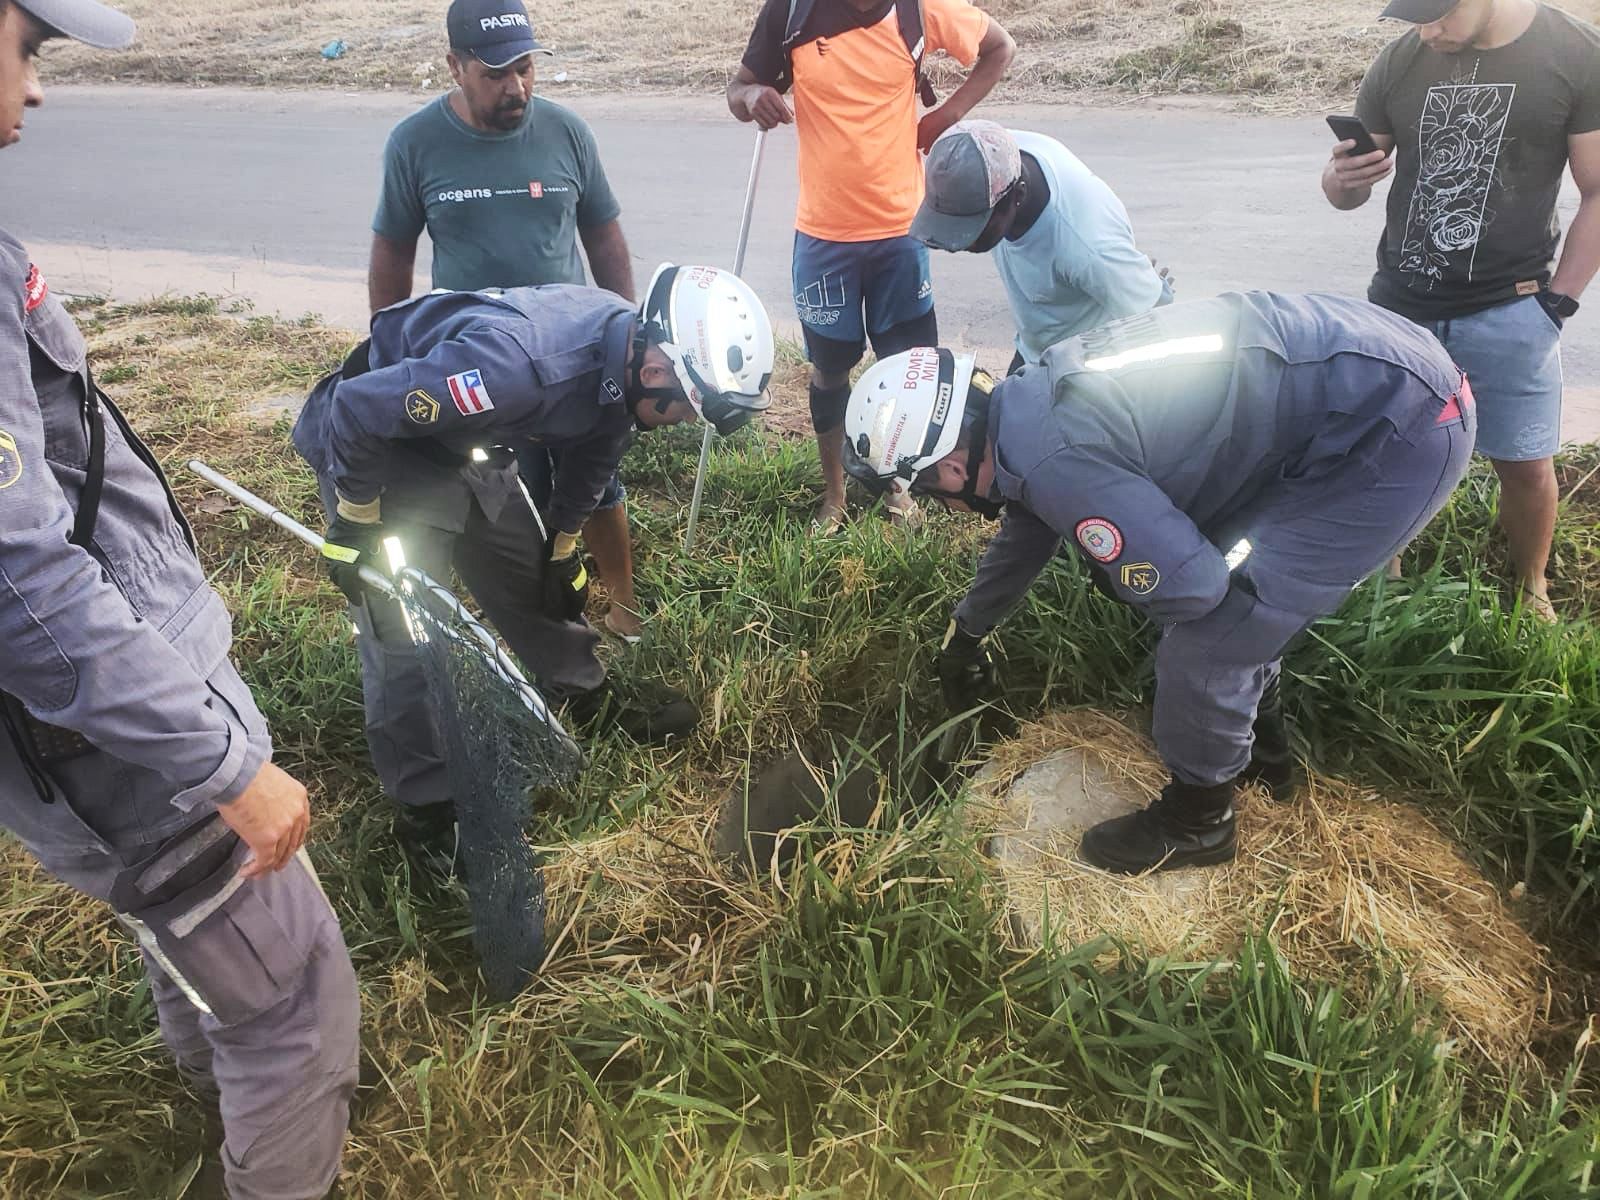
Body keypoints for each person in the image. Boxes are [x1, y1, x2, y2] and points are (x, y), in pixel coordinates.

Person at [0, 2, 358, 1197]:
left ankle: (226, 1108)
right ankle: (272, 1139)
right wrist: (221, 766)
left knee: (197, 940)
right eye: (27, 46)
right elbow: (21, 583)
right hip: (121, 750)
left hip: (88, 744)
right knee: (293, 1007)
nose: (37, 89)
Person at [842, 293, 1476, 875]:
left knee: (1212, 636)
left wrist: (1128, 579)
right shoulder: (1026, 407)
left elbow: (1195, 588)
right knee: (1242, 598)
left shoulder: (1053, 458)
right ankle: (1265, 757)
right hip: (1373, 371)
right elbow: (1031, 521)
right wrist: (969, 629)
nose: (939, 504)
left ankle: (1200, 820)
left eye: (924, 488)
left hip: (1395, 433)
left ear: (951, 467)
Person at [292, 265, 772, 860]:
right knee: (408, 626)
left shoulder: (625, 353)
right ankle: (427, 805)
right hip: (386, 446)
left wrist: (562, 544)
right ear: (654, 371)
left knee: (529, 571)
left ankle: (581, 688)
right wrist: (356, 519)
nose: (682, 425)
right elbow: (359, 407)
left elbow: (601, 444)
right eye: (684, 412)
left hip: (476, 438)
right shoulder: (515, 370)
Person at [369, 0, 645, 641]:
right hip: (479, 364)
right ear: (455, 66)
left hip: (578, 354)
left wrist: (630, 334)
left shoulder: (567, 133)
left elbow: (604, 236)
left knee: (597, 485)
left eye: (524, 68)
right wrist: (388, 345)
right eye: (495, 73)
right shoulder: (415, 143)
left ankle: (625, 609)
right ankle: (535, 617)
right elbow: (393, 250)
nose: (515, 86)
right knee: (503, 498)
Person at [1322, 0, 1600, 622]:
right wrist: (1345, 179)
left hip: (1512, 307)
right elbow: (1345, 194)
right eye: (1413, 18)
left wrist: (1557, 304)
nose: (1427, 32)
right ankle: (1385, 580)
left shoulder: (1576, 53)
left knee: (1525, 465)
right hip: (1399, 307)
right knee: (1382, 452)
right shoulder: (1402, 58)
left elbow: (1598, 190)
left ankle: (1531, 587)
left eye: (1439, 16)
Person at [727, 0, 1015, 534]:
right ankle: (834, 494)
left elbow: (1000, 47)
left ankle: (898, 489)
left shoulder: (920, 9)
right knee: (830, 371)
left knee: (906, 373)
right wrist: (753, 95)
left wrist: (944, 118)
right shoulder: (792, 10)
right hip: (823, 236)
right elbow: (737, 89)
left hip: (902, 234)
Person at [912, 119, 1172, 374]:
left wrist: (1135, 283)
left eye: (972, 226)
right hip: (1033, 349)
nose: (958, 244)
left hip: (1083, 372)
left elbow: (1159, 318)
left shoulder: (1087, 244)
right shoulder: (989, 153)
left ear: (1018, 196)